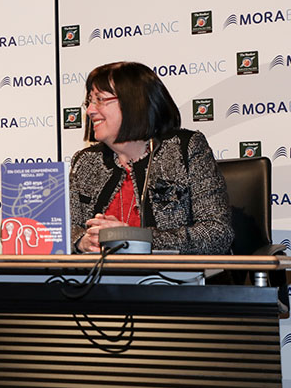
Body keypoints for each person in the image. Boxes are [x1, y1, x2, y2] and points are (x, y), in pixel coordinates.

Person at [69, 61, 232, 255]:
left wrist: (136, 238)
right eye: (89, 101)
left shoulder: (185, 149)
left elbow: (217, 233)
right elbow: (64, 230)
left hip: (170, 273)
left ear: (133, 102)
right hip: (99, 274)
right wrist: (81, 242)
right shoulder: (86, 161)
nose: (90, 110)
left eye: (100, 100)